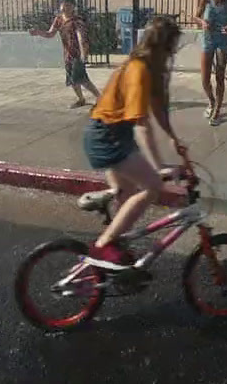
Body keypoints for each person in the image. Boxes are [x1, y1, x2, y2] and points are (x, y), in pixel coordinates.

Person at [80, 15, 189, 269]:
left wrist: (174, 138)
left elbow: (159, 110)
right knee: (151, 186)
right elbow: (142, 125)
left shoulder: (147, 68)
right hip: (107, 138)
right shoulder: (138, 69)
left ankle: (110, 255)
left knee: (129, 194)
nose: (173, 52)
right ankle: (103, 246)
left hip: (112, 135)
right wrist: (159, 166)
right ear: (162, 45)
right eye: (172, 46)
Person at [33, 0, 100, 107]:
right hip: (67, 54)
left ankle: (101, 98)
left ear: (73, 7)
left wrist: (84, 54)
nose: (65, 8)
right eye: (64, 5)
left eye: (68, 5)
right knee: (72, 80)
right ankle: (81, 99)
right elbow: (50, 34)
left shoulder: (76, 21)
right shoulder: (58, 19)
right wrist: (38, 32)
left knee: (82, 79)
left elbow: (81, 38)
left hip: (77, 54)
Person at [194, 0, 227, 125]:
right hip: (207, 40)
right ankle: (211, 101)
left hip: (222, 41)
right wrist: (203, 22)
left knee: (220, 76)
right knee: (205, 79)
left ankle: (217, 110)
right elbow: (196, 17)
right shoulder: (205, 0)